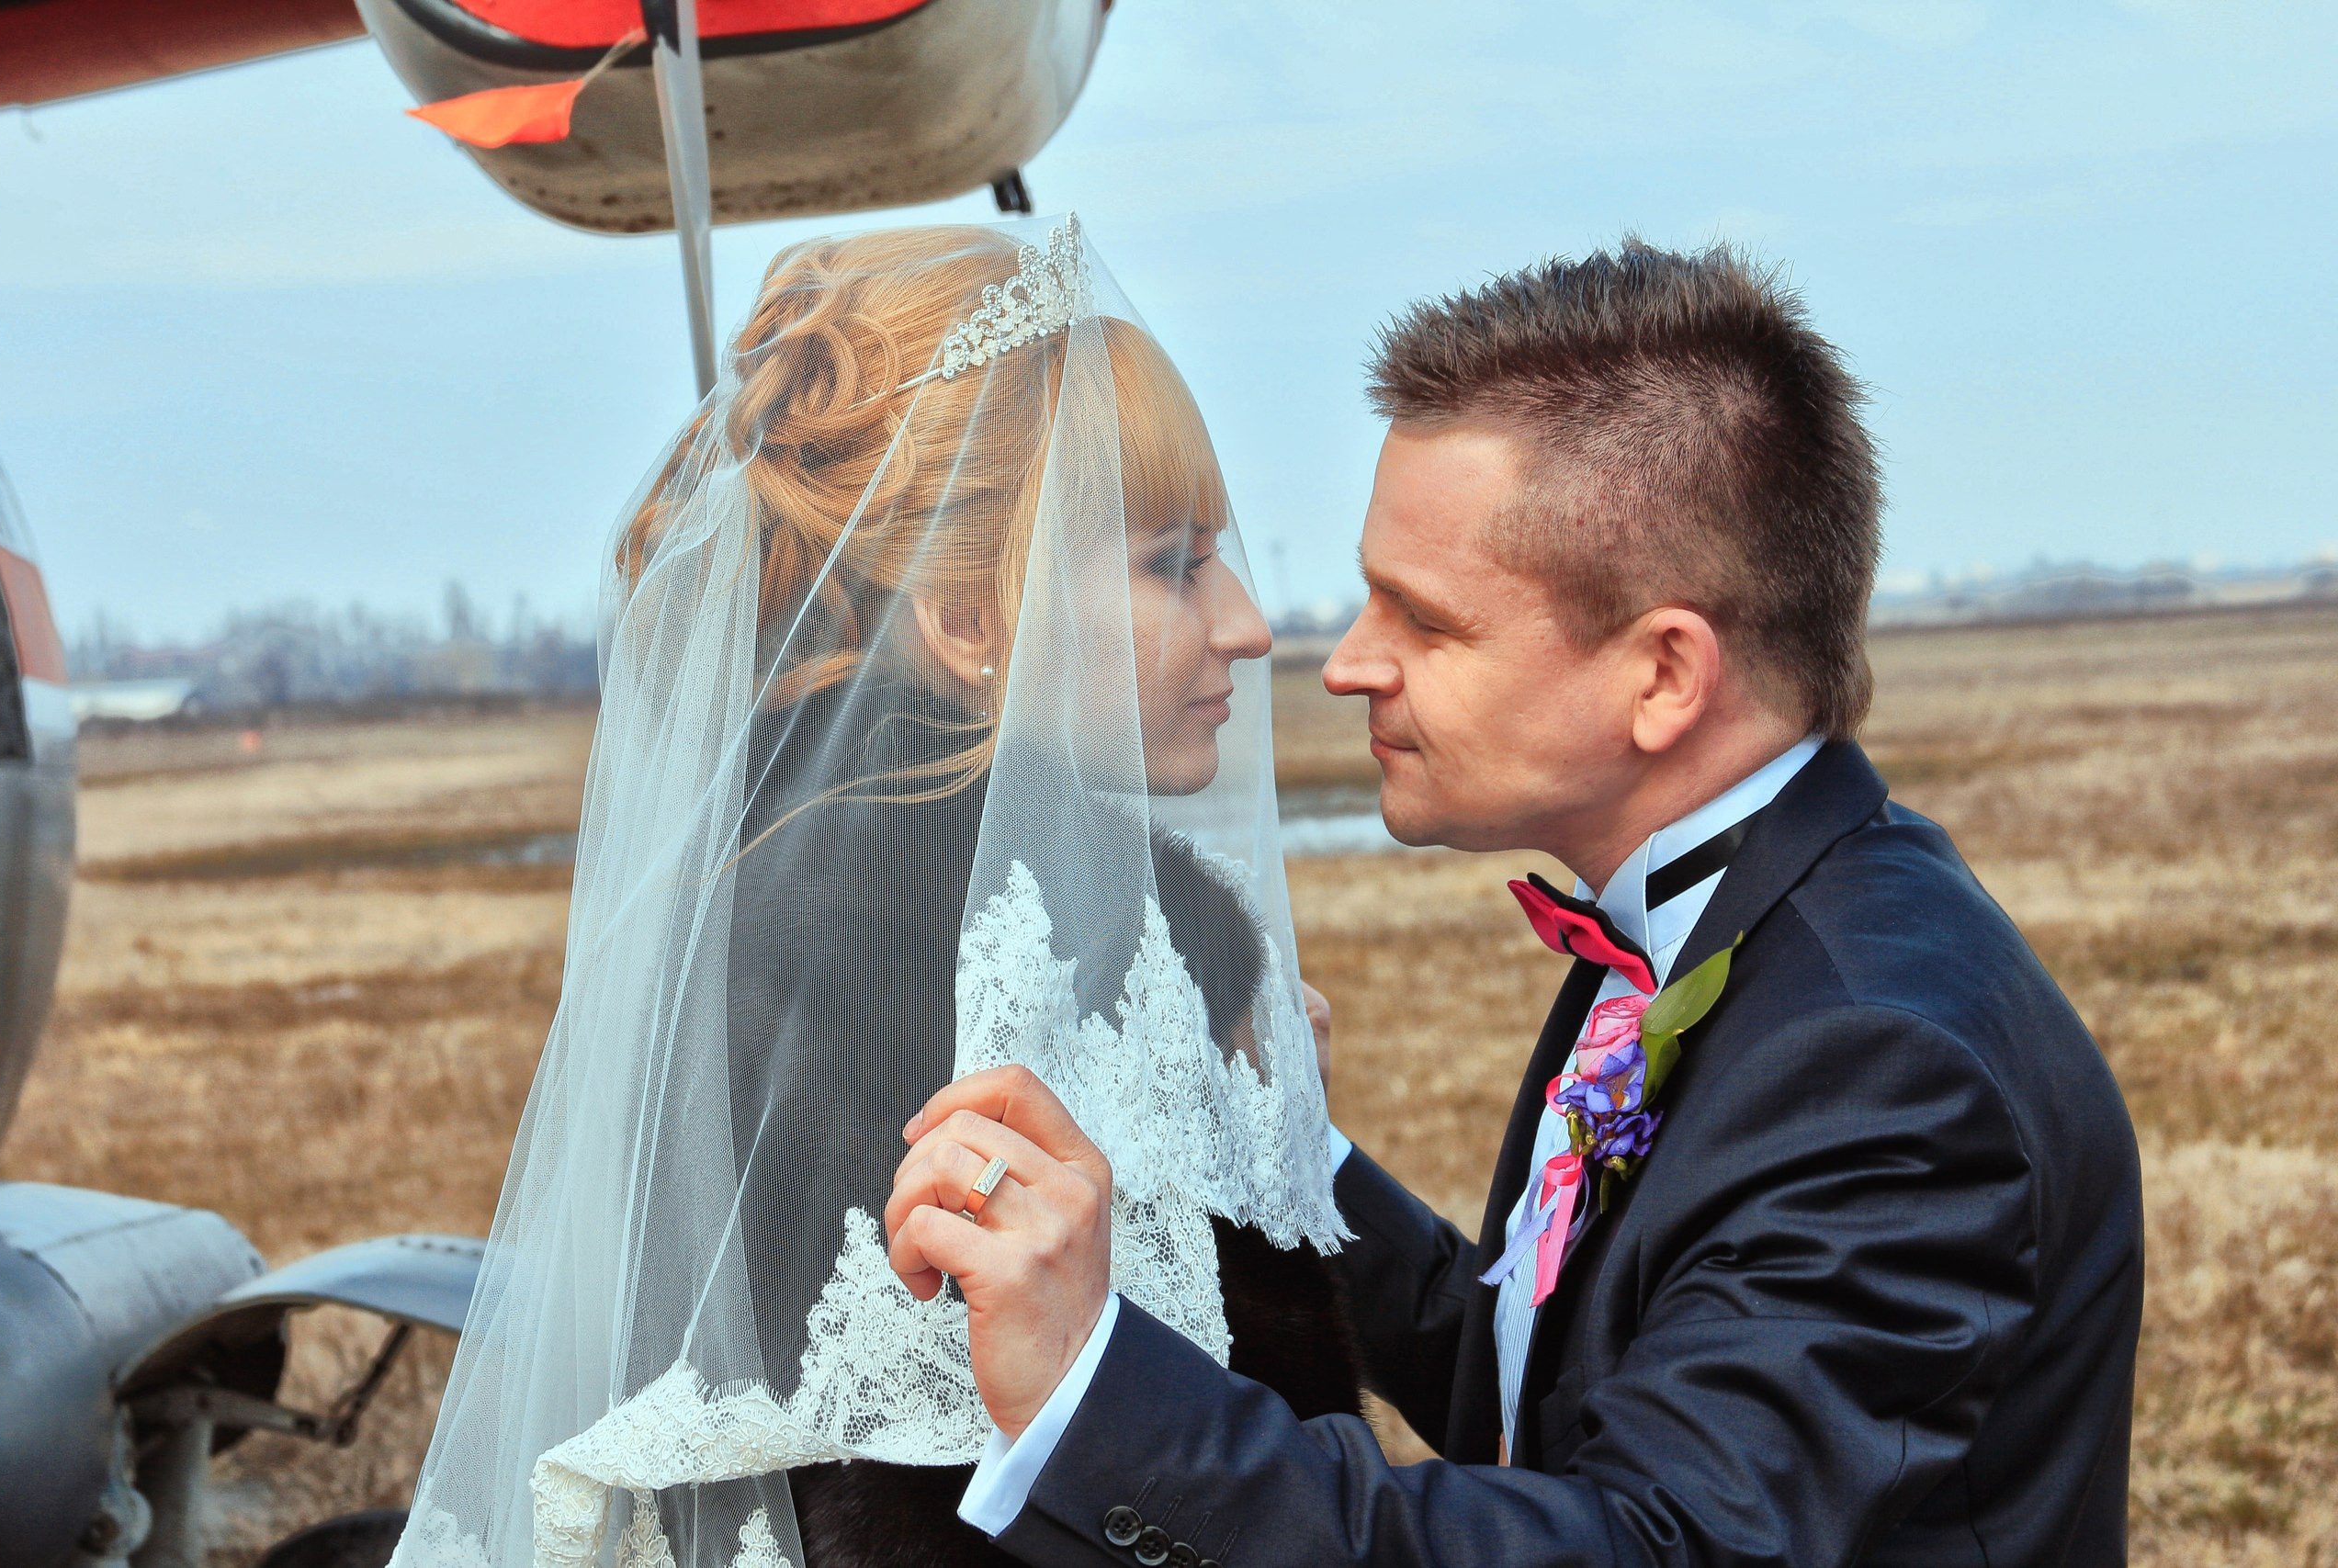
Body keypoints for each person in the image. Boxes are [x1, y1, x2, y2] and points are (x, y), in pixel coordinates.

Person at [888, 242, 2147, 1567]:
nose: (1345, 663)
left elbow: (1655, 1544)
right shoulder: (1719, 924)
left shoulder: (1880, 1065)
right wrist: (1281, 1148)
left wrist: (1093, 1398)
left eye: (1426, 622)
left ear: (1663, 676)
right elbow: (1545, 1384)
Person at [388, 219, 1356, 1568]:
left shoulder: (782, 895)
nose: (1248, 624)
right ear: (965, 624)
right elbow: (899, 1508)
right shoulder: (951, 957)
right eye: (1171, 562)